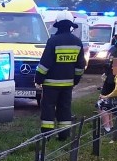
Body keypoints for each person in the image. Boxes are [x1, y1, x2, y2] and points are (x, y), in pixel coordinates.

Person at [34, 11, 86, 140]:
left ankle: (46, 136)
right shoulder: (77, 42)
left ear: (58, 25)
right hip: (68, 84)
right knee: (65, 108)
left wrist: (38, 78)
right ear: (70, 25)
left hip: (51, 84)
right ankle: (64, 135)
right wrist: (75, 80)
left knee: (48, 108)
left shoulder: (53, 41)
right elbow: (80, 65)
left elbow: (45, 63)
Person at [100, 26, 117, 96]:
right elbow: (107, 60)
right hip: (109, 74)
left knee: (114, 93)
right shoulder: (113, 48)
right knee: (105, 93)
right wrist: (105, 72)